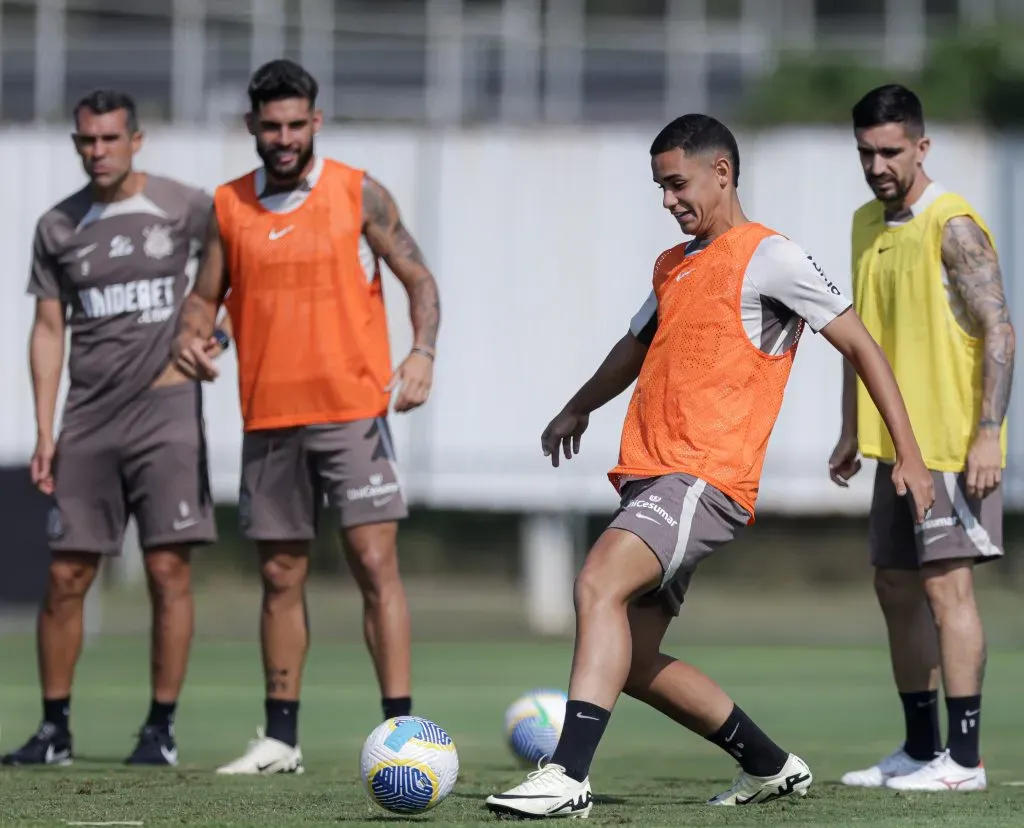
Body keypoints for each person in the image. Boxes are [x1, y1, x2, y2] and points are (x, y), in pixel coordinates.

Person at [485, 113, 935, 819]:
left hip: (702, 478)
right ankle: (768, 765)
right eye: (660, 187)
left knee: (596, 581)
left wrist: (907, 453)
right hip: (652, 475)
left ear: (721, 172)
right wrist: (578, 407)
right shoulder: (674, 264)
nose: (667, 200)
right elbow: (636, 344)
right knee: (628, 661)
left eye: (676, 183)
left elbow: (862, 347)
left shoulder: (772, 256)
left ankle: (567, 776)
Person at [172, 59, 440, 776]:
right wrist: (194, 334)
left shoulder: (358, 193)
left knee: (375, 564)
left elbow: (419, 278)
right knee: (281, 576)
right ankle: (281, 740)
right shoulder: (227, 206)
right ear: (252, 127)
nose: (284, 137)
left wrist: (421, 353)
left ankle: (401, 733)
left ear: (315, 122)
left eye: (296, 124)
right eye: (271, 126)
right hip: (268, 420)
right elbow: (206, 298)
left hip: (353, 413)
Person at [2, 90, 226, 768]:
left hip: (167, 414)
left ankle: (160, 728)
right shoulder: (58, 226)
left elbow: (236, 268)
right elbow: (47, 331)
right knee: (67, 574)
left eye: (107, 139)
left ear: (136, 139)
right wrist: (45, 431)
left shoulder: (186, 206)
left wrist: (214, 331)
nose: (96, 152)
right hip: (89, 420)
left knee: (166, 570)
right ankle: (54, 731)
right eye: (84, 141)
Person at [833, 85, 1014, 793]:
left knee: (949, 594)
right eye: (865, 152)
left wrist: (989, 434)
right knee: (893, 587)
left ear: (921, 147)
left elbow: (1000, 330)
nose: (877, 165)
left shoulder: (953, 223)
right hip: (892, 448)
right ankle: (918, 748)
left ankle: (963, 763)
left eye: (889, 151)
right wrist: (852, 427)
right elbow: (861, 341)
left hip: (948, 446)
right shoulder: (862, 225)